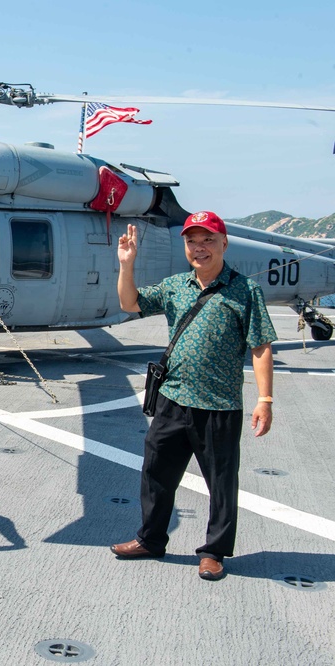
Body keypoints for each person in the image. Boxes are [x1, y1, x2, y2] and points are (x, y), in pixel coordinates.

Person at [111, 211, 276, 581]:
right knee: (156, 474)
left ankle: (214, 551)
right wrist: (127, 265)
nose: (199, 248)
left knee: (220, 482)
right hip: (173, 399)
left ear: (223, 243)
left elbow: (261, 347)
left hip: (218, 405)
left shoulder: (244, 290)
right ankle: (151, 540)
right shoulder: (174, 286)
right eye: (192, 241)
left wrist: (265, 400)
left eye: (207, 240)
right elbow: (130, 303)